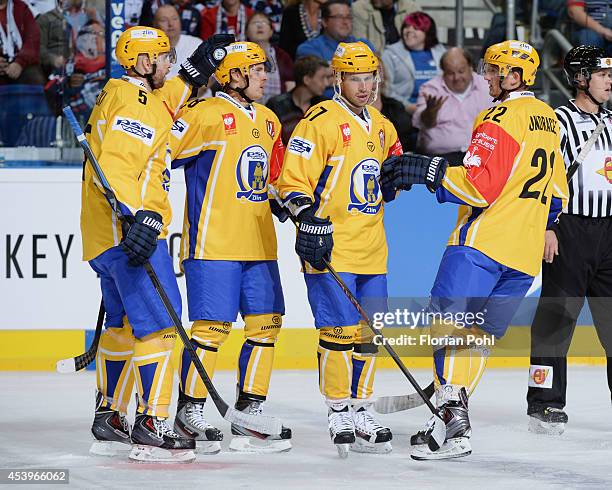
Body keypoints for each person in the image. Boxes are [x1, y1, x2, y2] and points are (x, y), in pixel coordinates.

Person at [381, 40, 569, 460]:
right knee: (476, 337)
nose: (486, 76)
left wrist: (427, 170)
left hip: (482, 244)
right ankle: (444, 419)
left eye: (493, 70)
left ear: (513, 77)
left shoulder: (499, 115)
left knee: (446, 327)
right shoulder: (547, 118)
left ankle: (456, 427)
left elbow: (479, 186)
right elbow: (559, 191)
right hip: (522, 255)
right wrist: (546, 227)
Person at [82, 25, 233, 462]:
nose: (168, 63)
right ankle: (152, 422)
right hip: (131, 235)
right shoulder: (135, 103)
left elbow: (166, 100)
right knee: (164, 326)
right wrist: (140, 216)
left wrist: (195, 70)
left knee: (124, 324)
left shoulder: (126, 94)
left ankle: (110, 415)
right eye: (164, 57)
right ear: (144, 63)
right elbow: (115, 168)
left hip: (104, 238)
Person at [276, 41, 403, 456]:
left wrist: (396, 178)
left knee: (369, 333)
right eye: (355, 78)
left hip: (373, 249)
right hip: (333, 247)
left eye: (369, 77)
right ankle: (338, 408)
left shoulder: (383, 125)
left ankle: (362, 405)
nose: (364, 85)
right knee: (337, 332)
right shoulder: (319, 121)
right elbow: (291, 182)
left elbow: (391, 170)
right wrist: (307, 219)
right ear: (338, 79)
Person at [169, 41, 292, 454]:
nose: (264, 76)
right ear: (233, 75)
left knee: (267, 324)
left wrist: (289, 203)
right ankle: (189, 411)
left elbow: (274, 179)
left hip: (259, 244)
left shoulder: (271, 120)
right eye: (256, 70)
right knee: (211, 330)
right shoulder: (203, 114)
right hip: (213, 243)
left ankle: (249, 413)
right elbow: (159, 150)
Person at [527, 45, 612, 435]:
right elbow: (545, 177)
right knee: (555, 321)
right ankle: (544, 403)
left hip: (609, 233)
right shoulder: (557, 121)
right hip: (569, 230)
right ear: (580, 79)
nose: (609, 81)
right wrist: (547, 225)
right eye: (601, 74)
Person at [412, 47, 492, 165]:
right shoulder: (431, 89)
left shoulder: (488, 87)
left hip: (482, 156)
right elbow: (420, 123)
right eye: (450, 73)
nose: (457, 78)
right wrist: (429, 114)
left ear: (471, 67)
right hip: (440, 159)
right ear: (443, 72)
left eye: (461, 71)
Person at [381, 11, 445, 114]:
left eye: (416, 28)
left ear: (427, 32)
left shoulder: (440, 53)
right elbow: (386, 89)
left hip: (438, 108)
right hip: (403, 109)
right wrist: (407, 106)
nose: (409, 31)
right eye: (406, 27)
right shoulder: (390, 54)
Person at [266, 54, 330, 144]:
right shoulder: (276, 105)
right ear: (307, 79)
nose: (327, 83)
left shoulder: (325, 105)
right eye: (322, 78)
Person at [295, 0, 375, 62]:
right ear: (324, 22)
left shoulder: (364, 46)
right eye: (339, 17)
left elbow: (378, 75)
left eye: (348, 17)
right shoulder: (310, 49)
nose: (345, 22)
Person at [246, 11, 294, 103]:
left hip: (278, 107)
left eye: (264, 23)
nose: (259, 26)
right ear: (246, 32)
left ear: (271, 31)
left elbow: (290, 86)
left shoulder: (282, 56)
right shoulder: (239, 55)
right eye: (255, 23)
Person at [0, 0, 44, 85]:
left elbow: (33, 39)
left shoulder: (21, 8)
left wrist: (19, 63)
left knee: (35, 78)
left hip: (22, 63)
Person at [351, 0, 420, 54]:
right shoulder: (360, 8)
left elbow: (420, 41)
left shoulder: (411, 8)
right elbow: (359, 46)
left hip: (404, 61)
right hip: (375, 62)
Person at [153, 4, 200, 79]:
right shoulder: (148, 50)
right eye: (164, 20)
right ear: (154, 25)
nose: (170, 24)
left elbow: (209, 79)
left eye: (174, 19)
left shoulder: (196, 44)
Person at [36, 0, 70, 79]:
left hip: (87, 65)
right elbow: (38, 47)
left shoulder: (89, 17)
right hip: (58, 70)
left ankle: (104, 91)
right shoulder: (45, 19)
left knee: (104, 85)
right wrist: (53, 59)